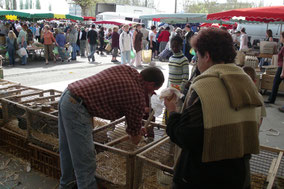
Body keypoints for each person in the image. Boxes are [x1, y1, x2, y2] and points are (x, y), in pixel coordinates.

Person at [165, 28, 262, 189]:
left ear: (207, 56)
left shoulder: (204, 85)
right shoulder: (246, 80)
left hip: (204, 176)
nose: (196, 61)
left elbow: (186, 136)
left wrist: (173, 111)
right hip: (238, 174)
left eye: (197, 55)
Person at [58, 65, 164, 189]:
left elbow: (123, 104)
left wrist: (135, 126)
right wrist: (137, 132)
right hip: (77, 108)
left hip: (68, 95)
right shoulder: (136, 96)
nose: (151, 94)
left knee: (67, 152)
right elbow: (135, 140)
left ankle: (66, 185)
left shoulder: (127, 69)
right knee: (86, 162)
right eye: (153, 90)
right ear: (151, 85)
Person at [265, 31, 284, 106]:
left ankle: (271, 99)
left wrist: (283, 72)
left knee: (276, 83)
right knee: (275, 83)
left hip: (282, 68)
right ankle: (271, 99)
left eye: (281, 37)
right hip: (281, 67)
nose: (280, 38)